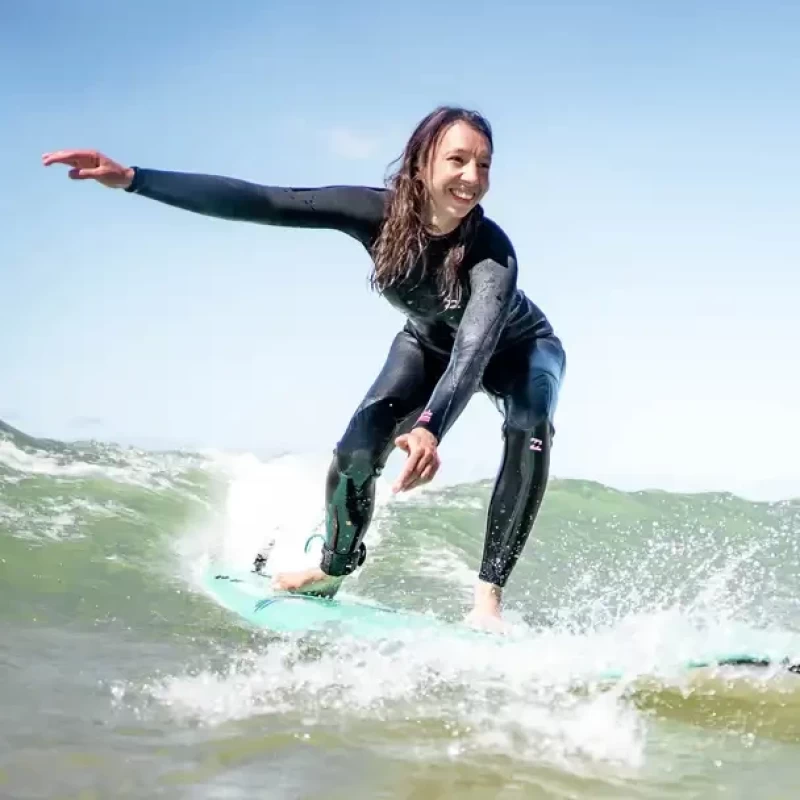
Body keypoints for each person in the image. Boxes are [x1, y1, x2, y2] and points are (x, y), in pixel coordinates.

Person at [42, 105, 566, 631]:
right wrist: (134, 180)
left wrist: (430, 426)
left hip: (519, 350)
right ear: (422, 161)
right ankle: (333, 569)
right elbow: (268, 202)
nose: (472, 178)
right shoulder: (377, 215)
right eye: (458, 159)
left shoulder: (492, 253)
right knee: (357, 449)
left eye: (484, 165)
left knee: (529, 426)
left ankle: (487, 602)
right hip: (427, 345)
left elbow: (474, 351)